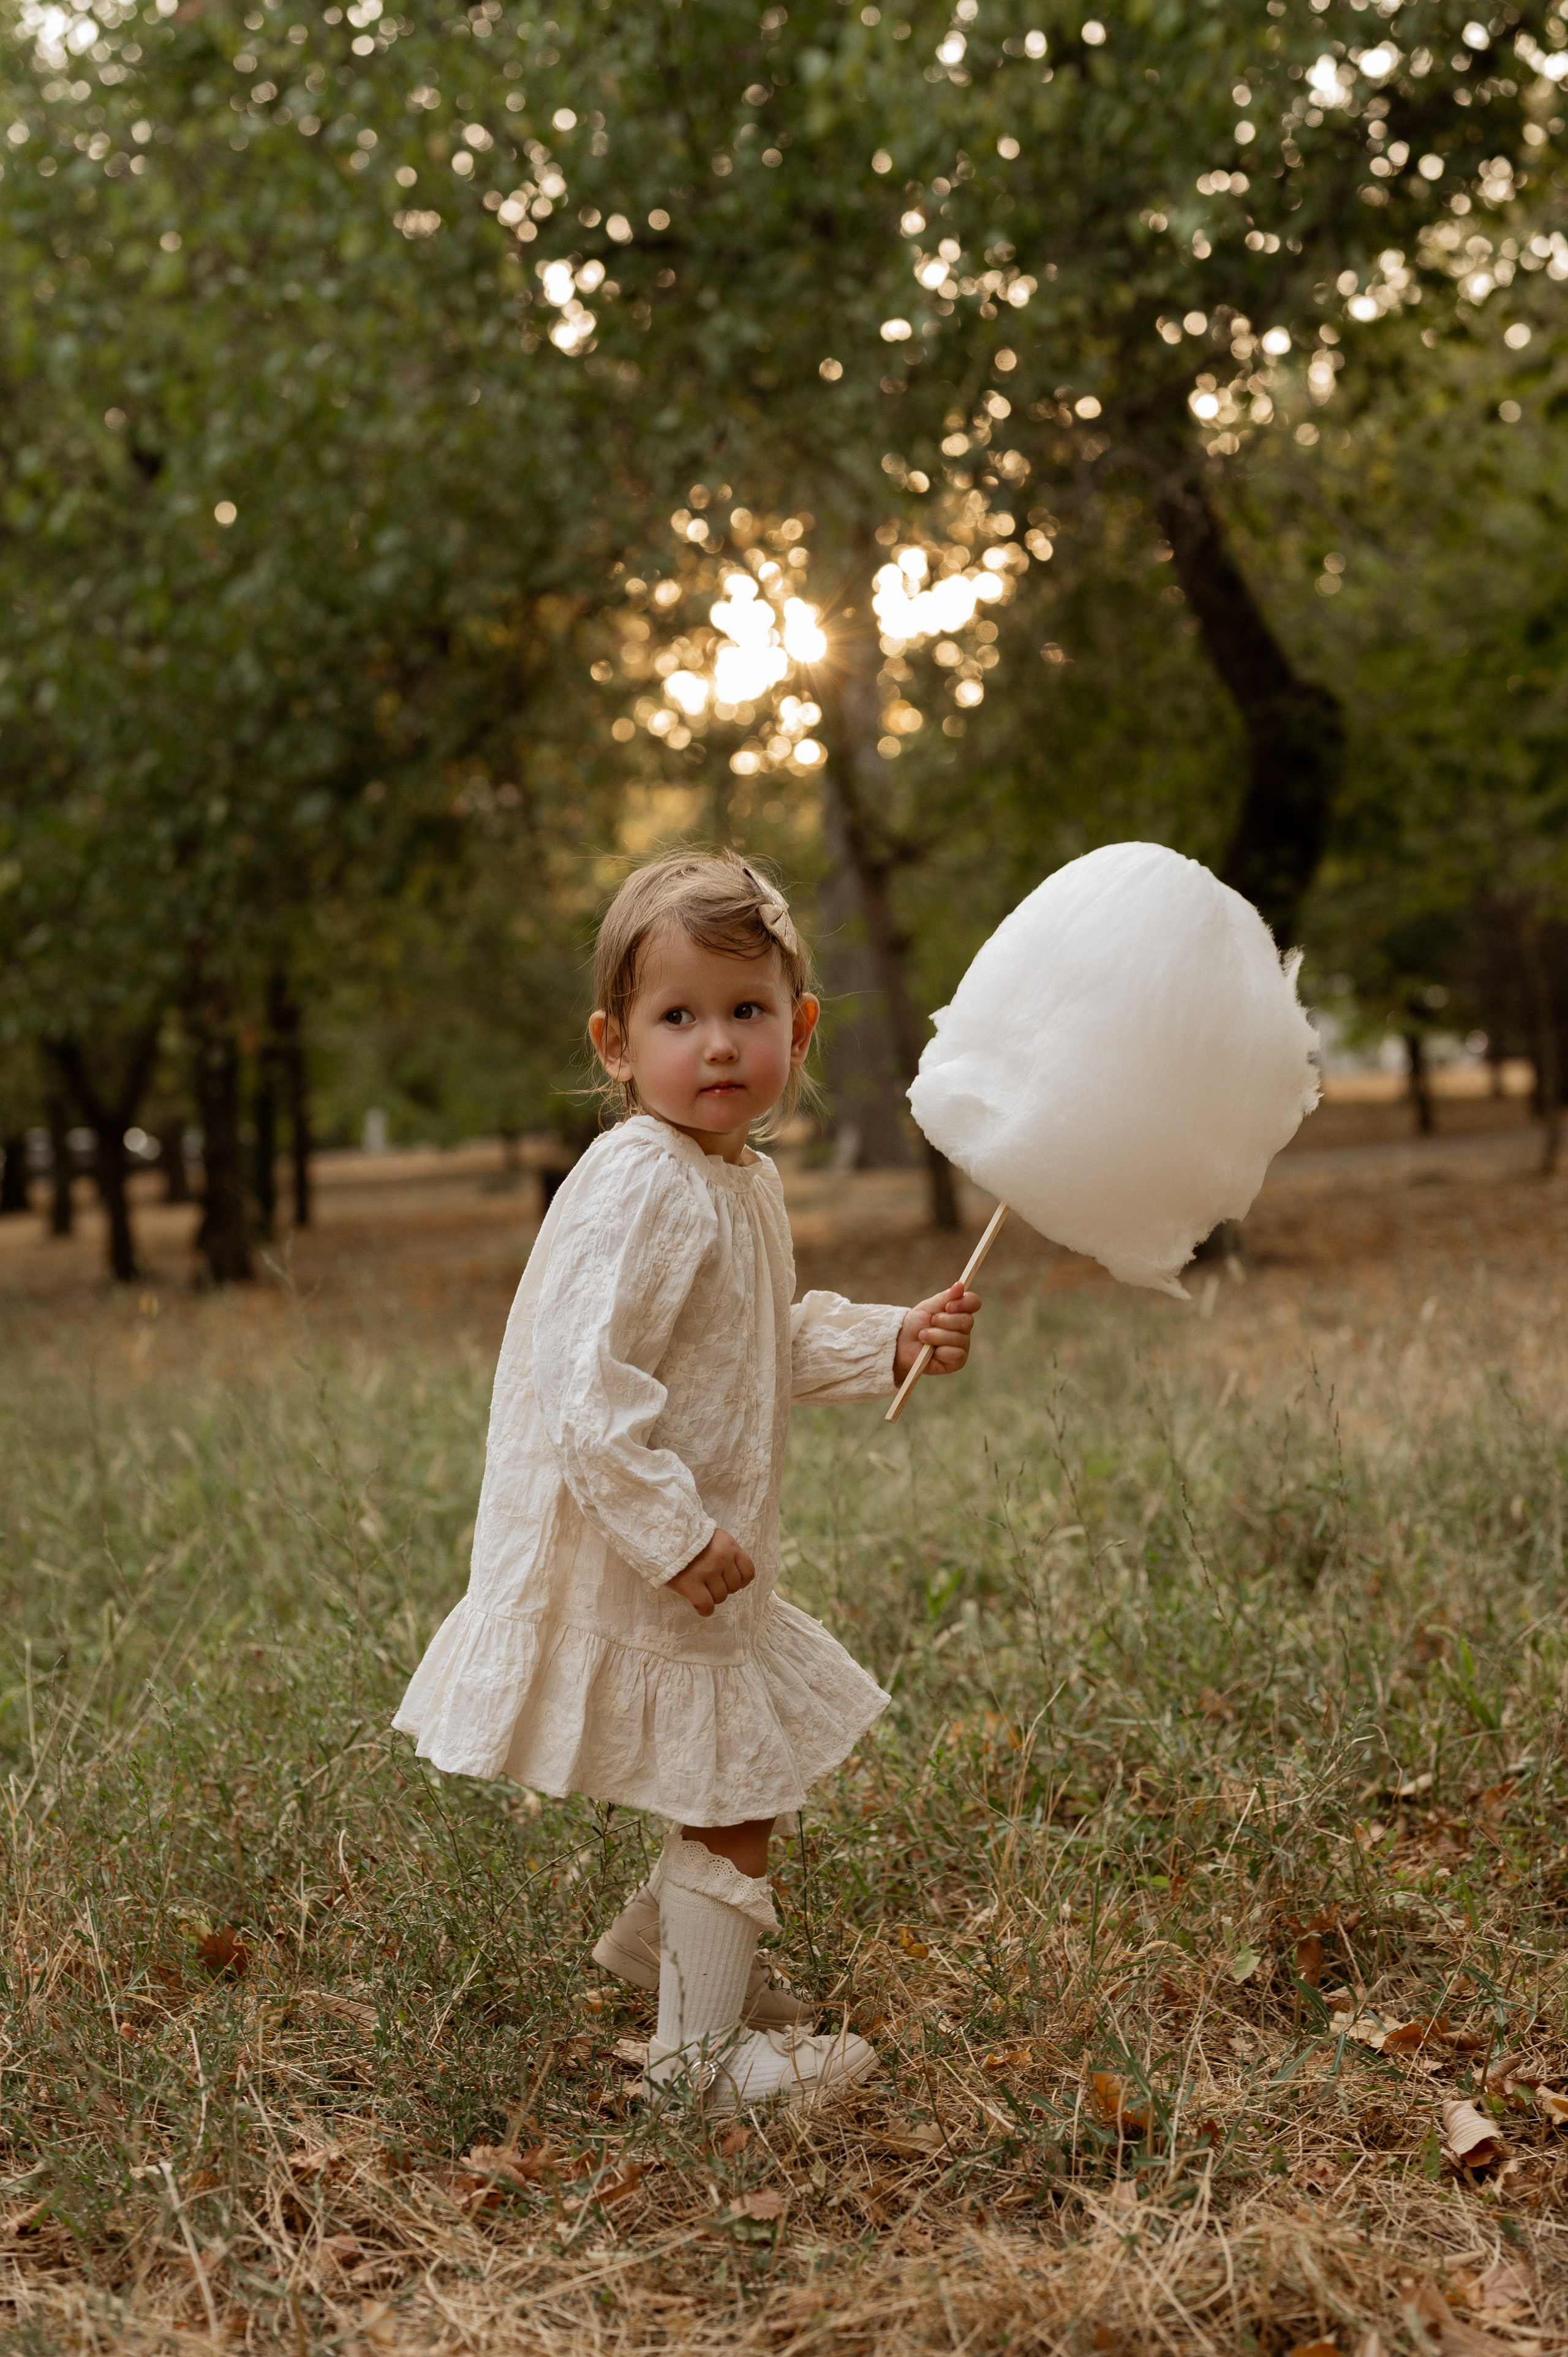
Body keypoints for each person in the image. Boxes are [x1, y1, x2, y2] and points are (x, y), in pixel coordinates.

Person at [394, 852, 981, 2113]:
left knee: (732, 1772)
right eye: (677, 1017)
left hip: (692, 1537)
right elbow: (583, 1391)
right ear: (616, 1043)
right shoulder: (643, 1182)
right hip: (638, 1539)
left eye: (746, 1011)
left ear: (798, 1027)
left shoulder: (737, 1177)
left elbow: (757, 1336)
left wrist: (891, 1333)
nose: (716, 1044)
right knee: (740, 1780)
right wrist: (670, 1531)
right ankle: (699, 2067)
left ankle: (669, 1951)